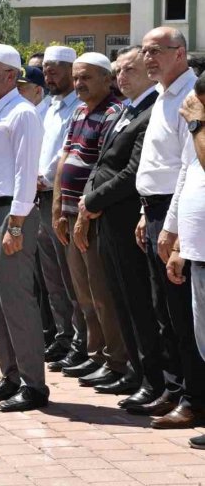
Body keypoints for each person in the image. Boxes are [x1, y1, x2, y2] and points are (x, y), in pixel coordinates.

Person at [80, 46, 162, 403]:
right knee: (120, 299)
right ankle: (134, 370)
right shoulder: (125, 110)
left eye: (128, 69)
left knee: (139, 301)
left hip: (128, 217)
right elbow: (101, 163)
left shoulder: (151, 111)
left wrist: (93, 200)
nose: (120, 77)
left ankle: (152, 379)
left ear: (147, 70)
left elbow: (132, 173)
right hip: (108, 218)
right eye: (118, 71)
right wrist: (89, 197)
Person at [0, 44, 47, 412]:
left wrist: (15, 225)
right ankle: (11, 375)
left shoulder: (22, 114)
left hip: (10, 216)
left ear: (10, 75)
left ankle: (34, 384)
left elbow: (24, 173)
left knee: (17, 302)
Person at [136, 27, 205, 428]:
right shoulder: (163, 96)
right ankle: (177, 387)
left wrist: (171, 228)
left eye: (156, 51)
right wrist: (148, 214)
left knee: (185, 317)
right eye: (144, 51)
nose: (148, 58)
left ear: (179, 53)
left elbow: (188, 166)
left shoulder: (192, 97)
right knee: (166, 312)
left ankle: (193, 397)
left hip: (178, 217)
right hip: (159, 210)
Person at [52, 53, 128, 388]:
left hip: (93, 217)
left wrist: (82, 214)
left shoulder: (114, 112)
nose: (80, 84)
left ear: (106, 78)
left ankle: (116, 361)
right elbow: (65, 158)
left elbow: (104, 169)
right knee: (82, 292)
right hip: (69, 214)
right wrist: (57, 208)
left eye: (87, 77)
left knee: (102, 293)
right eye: (77, 78)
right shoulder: (80, 111)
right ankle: (94, 353)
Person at [37, 46, 86, 372]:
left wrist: (43, 177)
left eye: (55, 69)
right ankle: (62, 334)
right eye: (46, 70)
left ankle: (82, 342)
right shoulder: (47, 106)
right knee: (52, 275)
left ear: (71, 70)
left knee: (73, 279)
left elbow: (65, 154)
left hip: (64, 199)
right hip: (41, 199)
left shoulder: (78, 108)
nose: (48, 75)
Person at [166, 75, 205, 448]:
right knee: (202, 341)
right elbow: (187, 173)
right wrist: (176, 239)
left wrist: (196, 124)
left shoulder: (200, 128)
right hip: (196, 249)